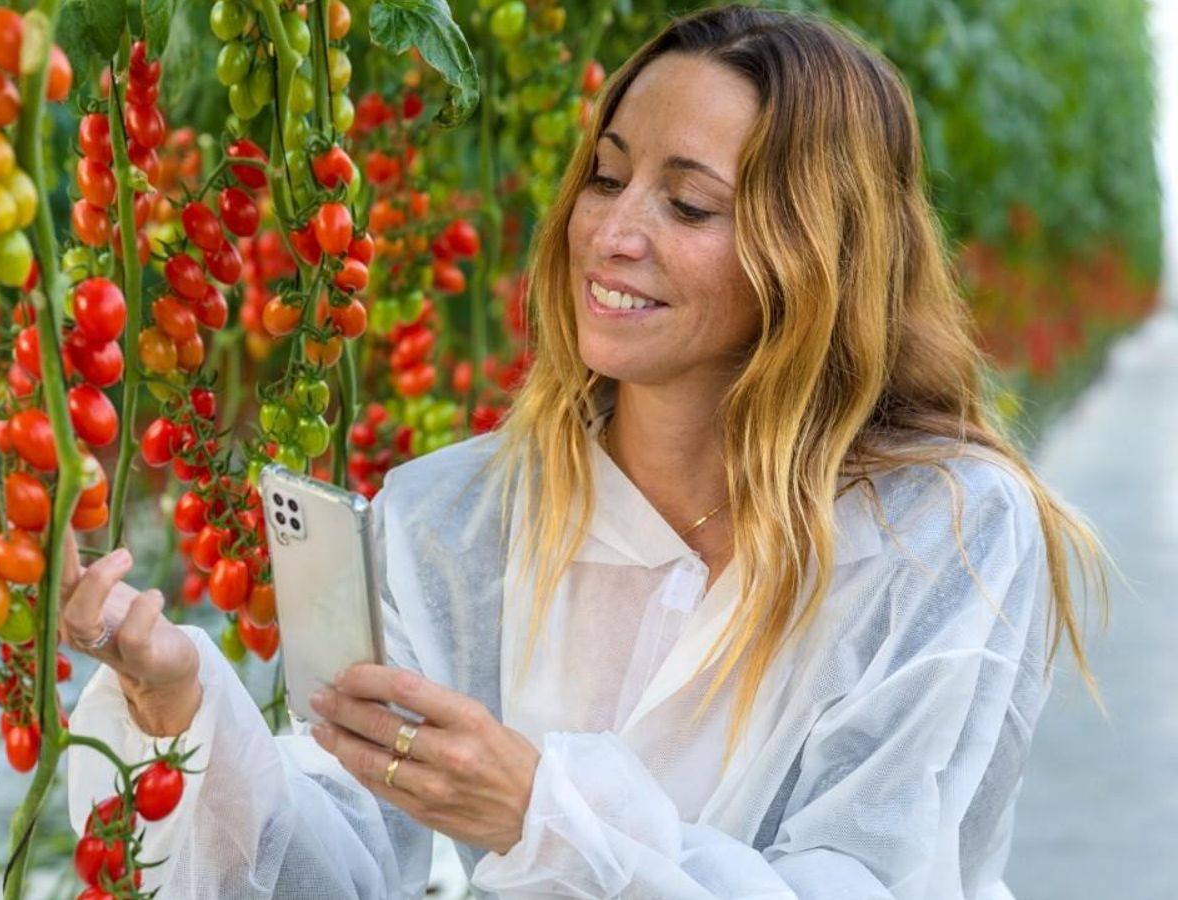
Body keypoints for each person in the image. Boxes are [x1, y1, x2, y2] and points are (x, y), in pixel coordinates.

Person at [59, 4, 1111, 897]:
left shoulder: (939, 530)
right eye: (606, 179)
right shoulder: (453, 520)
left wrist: (542, 815)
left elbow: (862, 878)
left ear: (812, 253)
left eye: (689, 203)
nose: (612, 230)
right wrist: (178, 702)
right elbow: (347, 866)